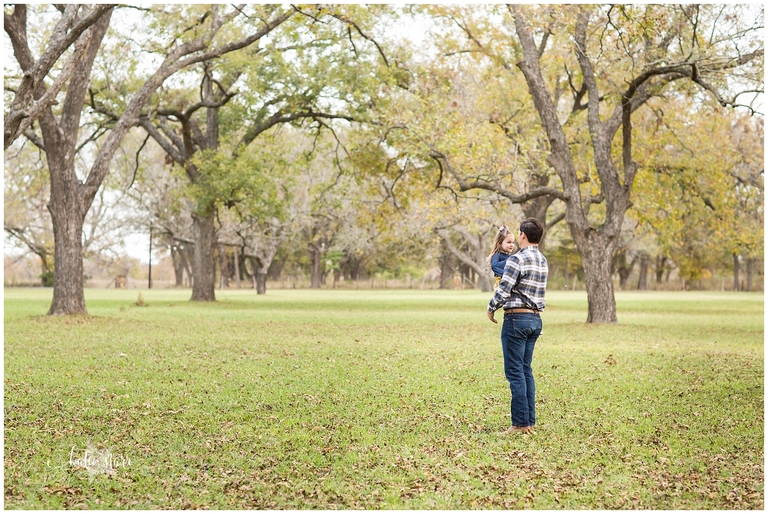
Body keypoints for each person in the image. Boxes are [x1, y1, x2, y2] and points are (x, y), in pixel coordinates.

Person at [487, 218, 548, 435]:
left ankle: (520, 424)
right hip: (535, 320)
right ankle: (529, 422)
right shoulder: (542, 260)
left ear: (522, 235)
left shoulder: (516, 260)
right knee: (525, 370)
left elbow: (503, 290)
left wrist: (491, 307)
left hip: (516, 319)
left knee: (515, 372)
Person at [487, 225, 517, 289]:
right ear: (500, 243)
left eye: (513, 242)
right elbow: (494, 266)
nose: (512, 245)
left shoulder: (510, 257)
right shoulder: (497, 255)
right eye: (509, 242)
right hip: (501, 286)